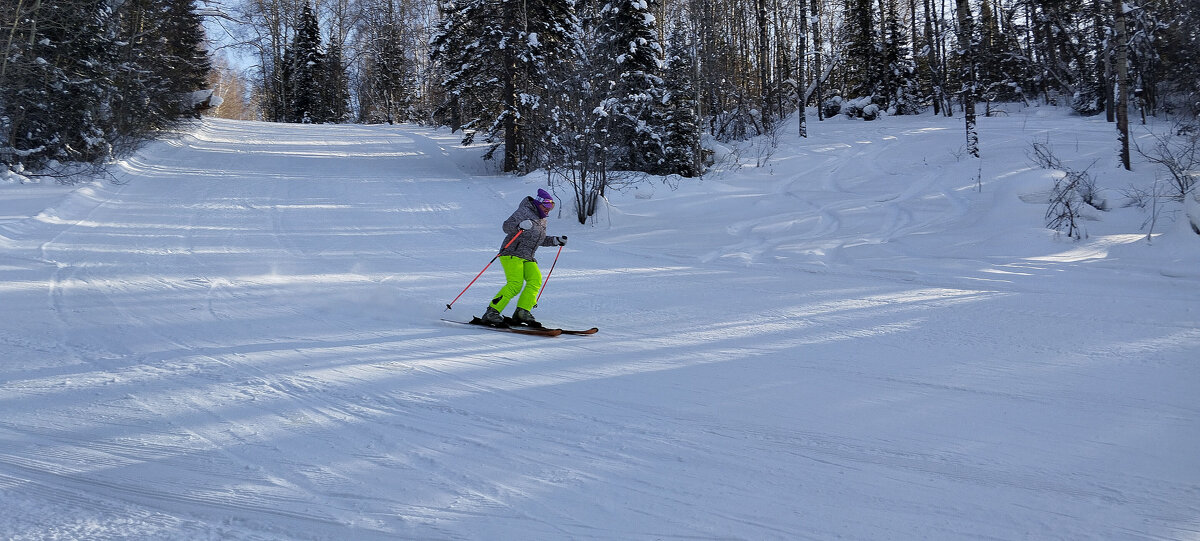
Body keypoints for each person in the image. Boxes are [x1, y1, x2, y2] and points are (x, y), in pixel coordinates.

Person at [480, 189, 567, 327]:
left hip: (528, 256)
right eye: (547, 206)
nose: (549, 210)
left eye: (552, 207)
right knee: (515, 284)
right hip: (512, 252)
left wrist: (555, 240)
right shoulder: (524, 211)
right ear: (539, 203)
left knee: (535, 280)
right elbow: (506, 226)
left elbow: (539, 239)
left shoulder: (542, 219)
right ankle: (492, 312)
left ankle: (522, 312)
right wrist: (519, 226)